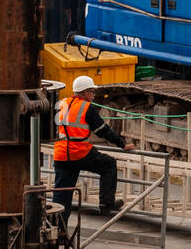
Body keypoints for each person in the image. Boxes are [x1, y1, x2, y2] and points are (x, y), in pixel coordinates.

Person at [52, 75, 135, 220]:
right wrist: (122, 144)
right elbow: (103, 130)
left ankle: (58, 231)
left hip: (61, 154)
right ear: (84, 92)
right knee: (109, 165)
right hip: (79, 152)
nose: (93, 95)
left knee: (61, 196)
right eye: (91, 91)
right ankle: (106, 204)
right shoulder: (86, 107)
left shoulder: (62, 103)